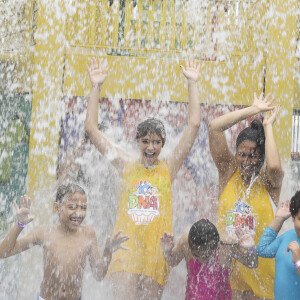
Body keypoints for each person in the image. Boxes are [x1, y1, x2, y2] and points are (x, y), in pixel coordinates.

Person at [85, 57, 201, 300]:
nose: (150, 147)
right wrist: (96, 86)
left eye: (156, 142)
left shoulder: (168, 168)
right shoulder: (125, 164)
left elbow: (194, 125)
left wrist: (192, 82)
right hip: (125, 248)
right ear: (137, 142)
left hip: (156, 254)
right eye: (145, 141)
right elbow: (92, 130)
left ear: (163, 144)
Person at [208, 93, 284, 300]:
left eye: (253, 155)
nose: (247, 161)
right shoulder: (227, 173)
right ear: (235, 154)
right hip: (233, 277)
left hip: (264, 278)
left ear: (261, 157)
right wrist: (253, 110)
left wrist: (267, 126)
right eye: (241, 154)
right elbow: (214, 127)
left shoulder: (269, 185)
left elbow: (275, 166)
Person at [0, 184, 129, 300]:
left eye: (83, 208)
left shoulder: (88, 234)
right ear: (57, 207)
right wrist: (20, 224)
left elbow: (99, 274)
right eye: (72, 207)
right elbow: (3, 252)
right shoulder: (44, 233)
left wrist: (108, 252)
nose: (78, 213)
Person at [160, 218, 258, 300]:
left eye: (206, 255)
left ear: (216, 245)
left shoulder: (227, 246)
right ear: (191, 246)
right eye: (196, 255)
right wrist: (167, 251)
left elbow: (252, 264)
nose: (202, 259)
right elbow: (172, 262)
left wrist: (251, 249)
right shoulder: (186, 242)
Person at [257, 191, 300, 299]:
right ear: (293, 218)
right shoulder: (288, 236)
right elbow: (262, 249)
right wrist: (279, 219)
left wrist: (298, 262)